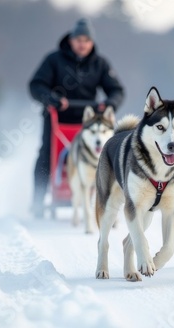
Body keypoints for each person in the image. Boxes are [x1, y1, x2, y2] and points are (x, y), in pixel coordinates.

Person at [29, 18, 124, 217]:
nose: (82, 44)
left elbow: (116, 90)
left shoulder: (100, 63)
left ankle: (102, 198)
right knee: (47, 154)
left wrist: (109, 104)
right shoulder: (54, 60)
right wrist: (52, 98)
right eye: (79, 39)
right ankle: (37, 200)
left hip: (88, 122)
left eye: (87, 40)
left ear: (92, 43)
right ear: (71, 40)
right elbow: (36, 85)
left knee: (100, 156)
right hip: (57, 118)